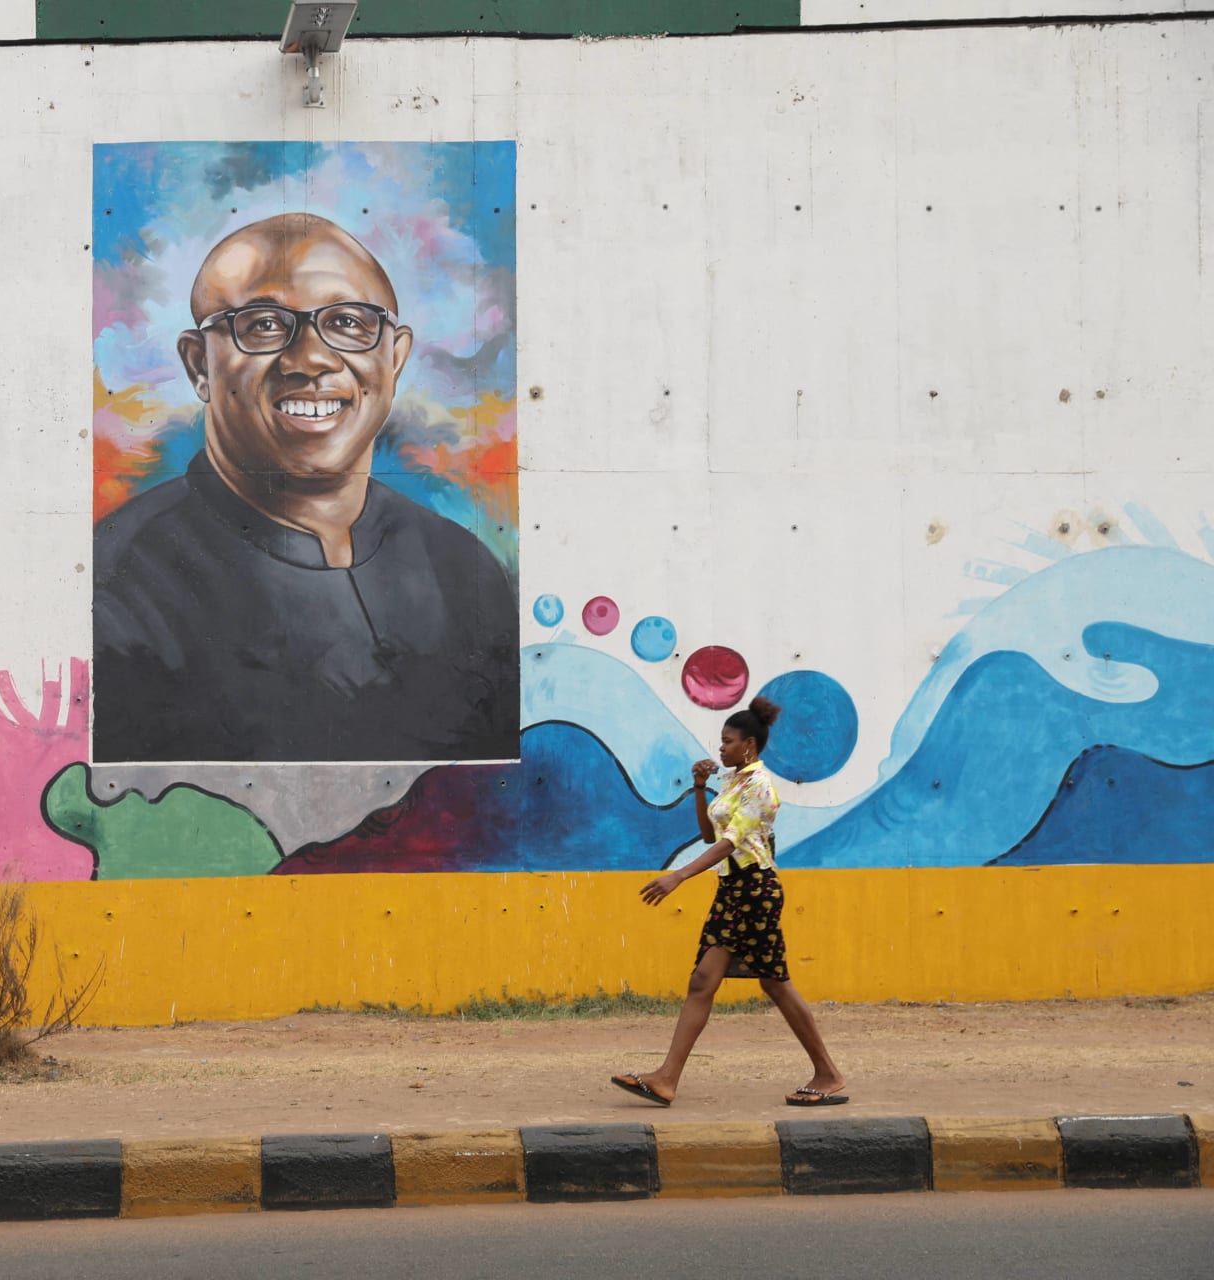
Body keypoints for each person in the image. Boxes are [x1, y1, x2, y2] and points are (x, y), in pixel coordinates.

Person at [93, 212, 518, 764]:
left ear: (394, 357)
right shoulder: (117, 592)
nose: (311, 359)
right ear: (200, 365)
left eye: (348, 322)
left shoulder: (464, 569)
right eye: (264, 324)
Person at [609, 696, 848, 1107]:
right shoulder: (736, 782)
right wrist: (700, 788)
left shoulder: (761, 787)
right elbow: (707, 834)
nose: (720, 748)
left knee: (773, 982)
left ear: (749, 745)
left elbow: (728, 844)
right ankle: (666, 1080)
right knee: (710, 981)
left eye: (728, 741)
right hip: (734, 892)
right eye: (721, 741)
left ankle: (827, 1072)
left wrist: (679, 875)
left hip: (755, 891)